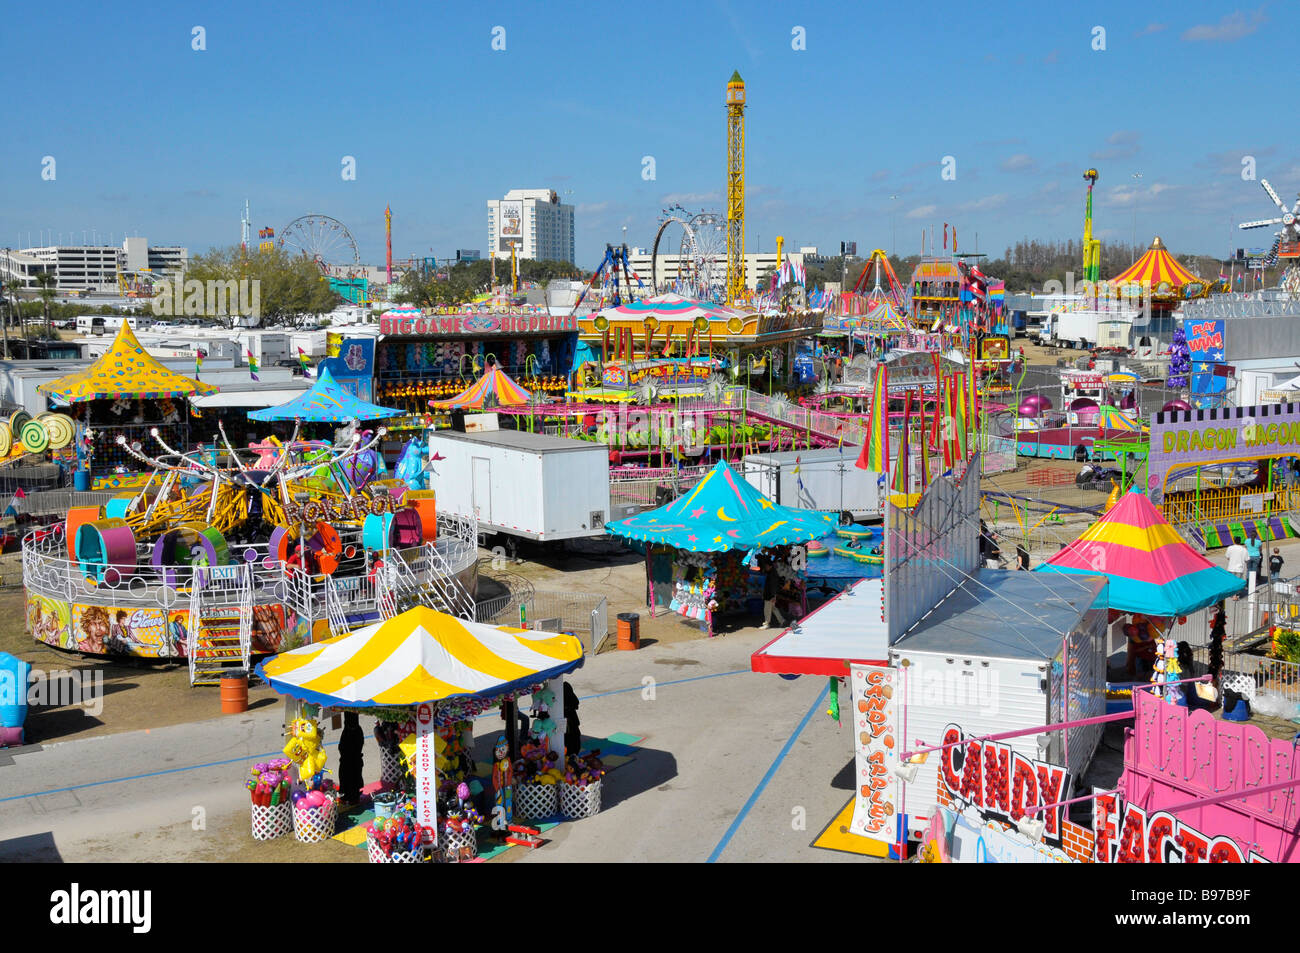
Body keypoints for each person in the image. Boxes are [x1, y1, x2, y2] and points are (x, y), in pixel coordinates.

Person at [760, 561, 787, 630]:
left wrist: (773, 596)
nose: (765, 568)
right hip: (771, 594)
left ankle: (767, 624)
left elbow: (773, 586)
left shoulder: (772, 574)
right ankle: (782, 621)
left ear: (770, 566)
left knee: (767, 610)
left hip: (769, 595)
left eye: (766, 566)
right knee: (773, 609)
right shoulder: (772, 573)